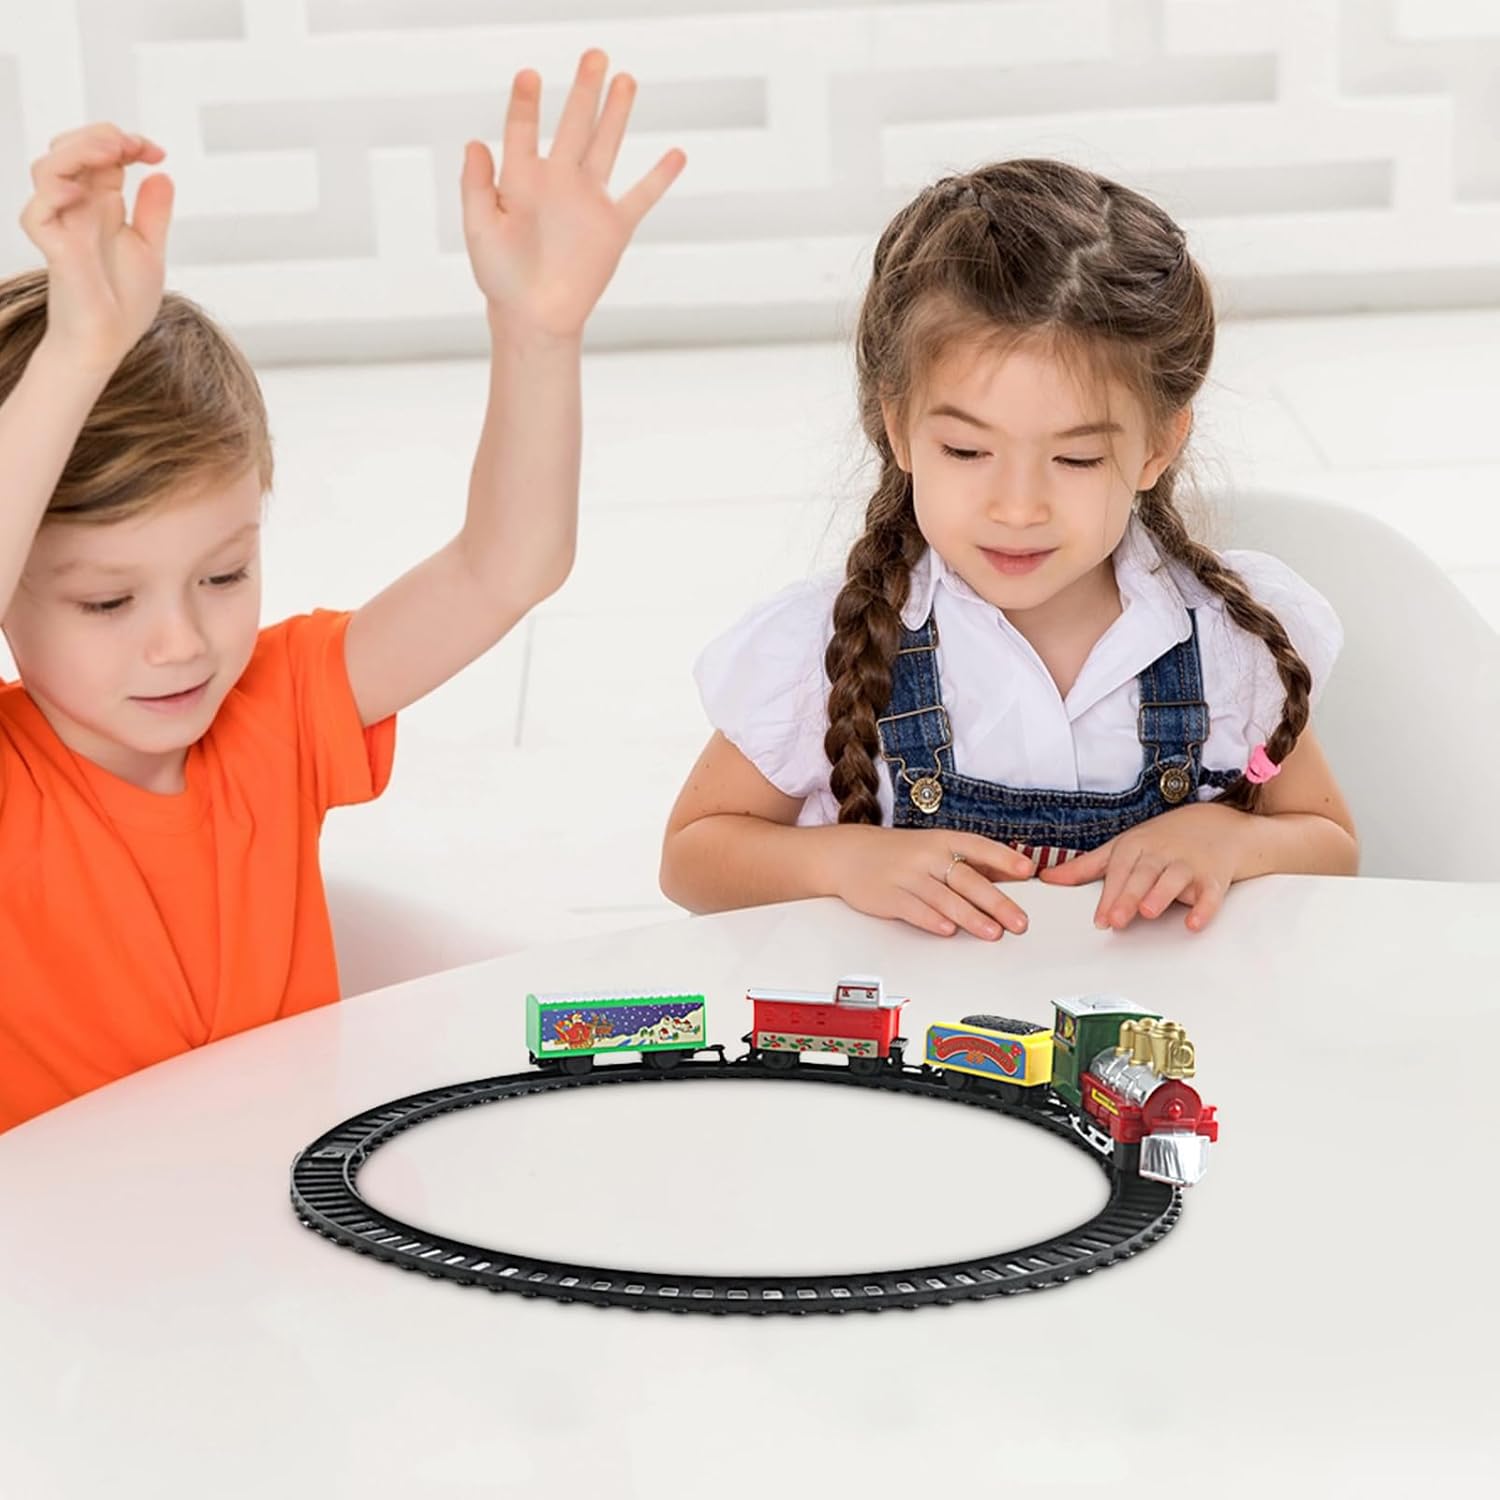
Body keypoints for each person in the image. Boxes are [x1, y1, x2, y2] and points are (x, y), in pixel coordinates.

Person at [0, 51, 684, 1132]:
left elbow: (506, 564)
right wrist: (78, 355)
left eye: (224, 575)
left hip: (288, 1211)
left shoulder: (272, 711)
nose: (181, 643)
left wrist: (538, 332)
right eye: (106, 603)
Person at [661, 159, 1358, 941]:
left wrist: (1231, 838)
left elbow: (1330, 844)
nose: (1018, 507)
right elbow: (692, 857)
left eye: (1076, 458)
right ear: (899, 428)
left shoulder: (1226, 644)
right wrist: (841, 860)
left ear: (1160, 445)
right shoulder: (829, 643)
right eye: (966, 451)